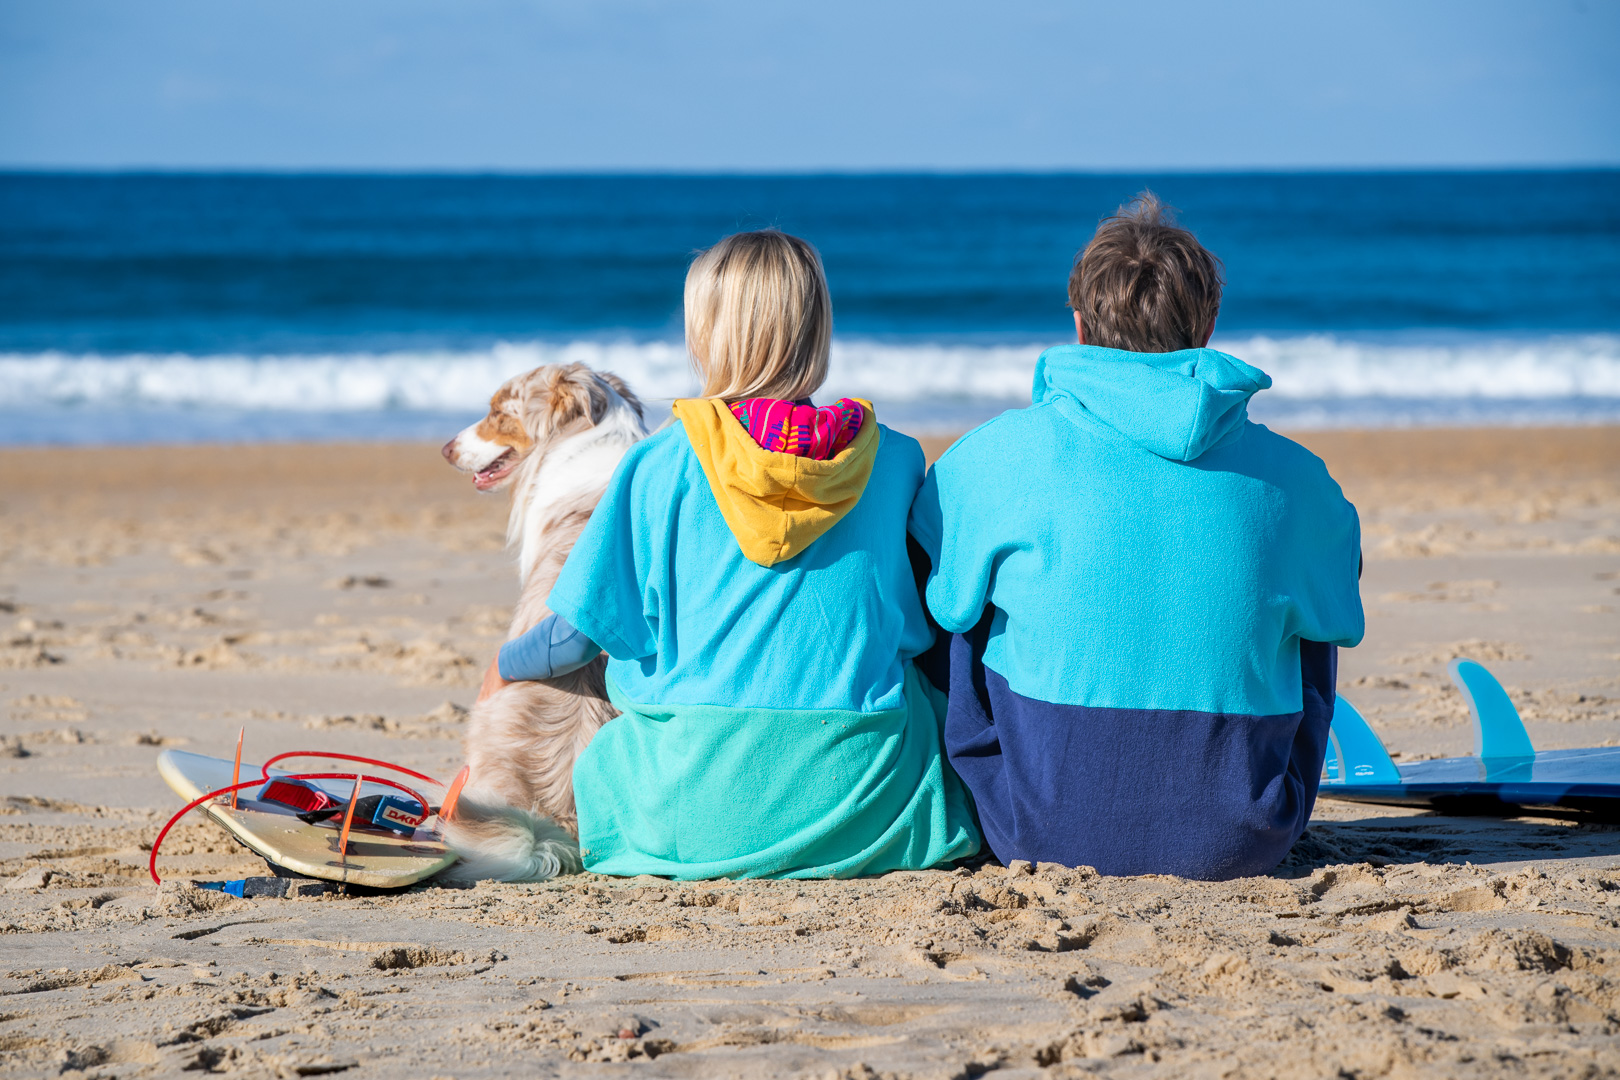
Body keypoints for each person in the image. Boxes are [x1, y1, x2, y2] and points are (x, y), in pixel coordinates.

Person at [490, 229, 980, 879]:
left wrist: (506, 661)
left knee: (605, 759)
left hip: (690, 815)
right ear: (817, 330)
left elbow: (575, 640)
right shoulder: (892, 462)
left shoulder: (657, 466)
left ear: (706, 338)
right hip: (863, 808)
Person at [909, 193, 1364, 881]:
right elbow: (1341, 608)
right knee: (1305, 596)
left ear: (1079, 325)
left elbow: (931, 601)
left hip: (1034, 829)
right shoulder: (1297, 481)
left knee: (953, 579)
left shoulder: (996, 455)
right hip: (1242, 839)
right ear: (1209, 323)